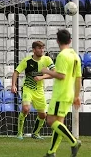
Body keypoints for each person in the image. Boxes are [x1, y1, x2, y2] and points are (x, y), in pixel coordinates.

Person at [41, 29, 82, 157]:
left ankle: (74, 142)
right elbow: (78, 78)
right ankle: (51, 152)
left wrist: (46, 71)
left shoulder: (62, 55)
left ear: (57, 41)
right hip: (69, 93)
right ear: (70, 40)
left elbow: (61, 75)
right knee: (59, 123)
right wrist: (76, 95)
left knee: (51, 121)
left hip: (61, 93)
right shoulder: (75, 56)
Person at [11, 41, 55, 140]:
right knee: (26, 109)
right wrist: (13, 85)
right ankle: (19, 133)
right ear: (34, 50)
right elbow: (16, 72)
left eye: (43, 48)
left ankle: (35, 133)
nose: (42, 50)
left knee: (43, 115)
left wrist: (42, 77)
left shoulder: (47, 59)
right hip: (28, 88)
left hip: (39, 90)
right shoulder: (27, 61)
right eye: (39, 48)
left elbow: (54, 73)